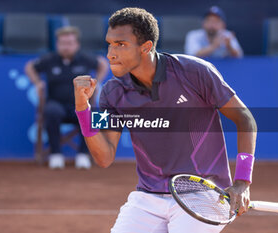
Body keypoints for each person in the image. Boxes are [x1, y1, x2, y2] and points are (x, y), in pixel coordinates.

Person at [74, 7, 256, 233]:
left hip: (203, 194)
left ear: (146, 47)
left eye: (120, 44)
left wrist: (242, 182)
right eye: (109, 44)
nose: (110, 53)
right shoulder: (111, 91)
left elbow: (245, 118)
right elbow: (104, 157)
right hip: (147, 197)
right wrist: (83, 109)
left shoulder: (195, 71)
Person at [25, 26, 108, 169]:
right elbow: (29, 67)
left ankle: (83, 155)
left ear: (77, 44)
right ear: (57, 44)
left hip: (80, 104)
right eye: (62, 43)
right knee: (51, 111)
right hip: (56, 104)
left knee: (94, 114)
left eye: (69, 43)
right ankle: (55, 154)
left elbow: (103, 64)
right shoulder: (49, 59)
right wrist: (38, 83)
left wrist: (98, 82)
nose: (66, 47)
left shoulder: (85, 59)